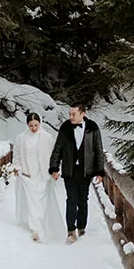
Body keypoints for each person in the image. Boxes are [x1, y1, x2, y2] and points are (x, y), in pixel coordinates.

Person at [48, 103, 105, 243]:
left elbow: (98, 150)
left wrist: (99, 171)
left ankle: (81, 227)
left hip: (86, 170)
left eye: (74, 114)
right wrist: (54, 168)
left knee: (83, 199)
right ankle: (71, 230)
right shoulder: (65, 127)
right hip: (69, 170)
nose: (71, 117)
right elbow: (58, 148)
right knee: (71, 200)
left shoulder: (93, 128)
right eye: (70, 114)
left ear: (82, 114)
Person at [11, 112, 65, 242]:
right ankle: (35, 228)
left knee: (43, 199)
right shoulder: (21, 138)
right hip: (28, 172)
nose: (34, 128)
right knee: (31, 199)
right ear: (27, 125)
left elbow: (54, 155)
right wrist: (18, 167)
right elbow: (16, 154)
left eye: (36, 125)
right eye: (31, 126)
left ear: (40, 124)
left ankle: (43, 222)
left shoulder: (47, 137)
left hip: (43, 172)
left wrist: (55, 170)